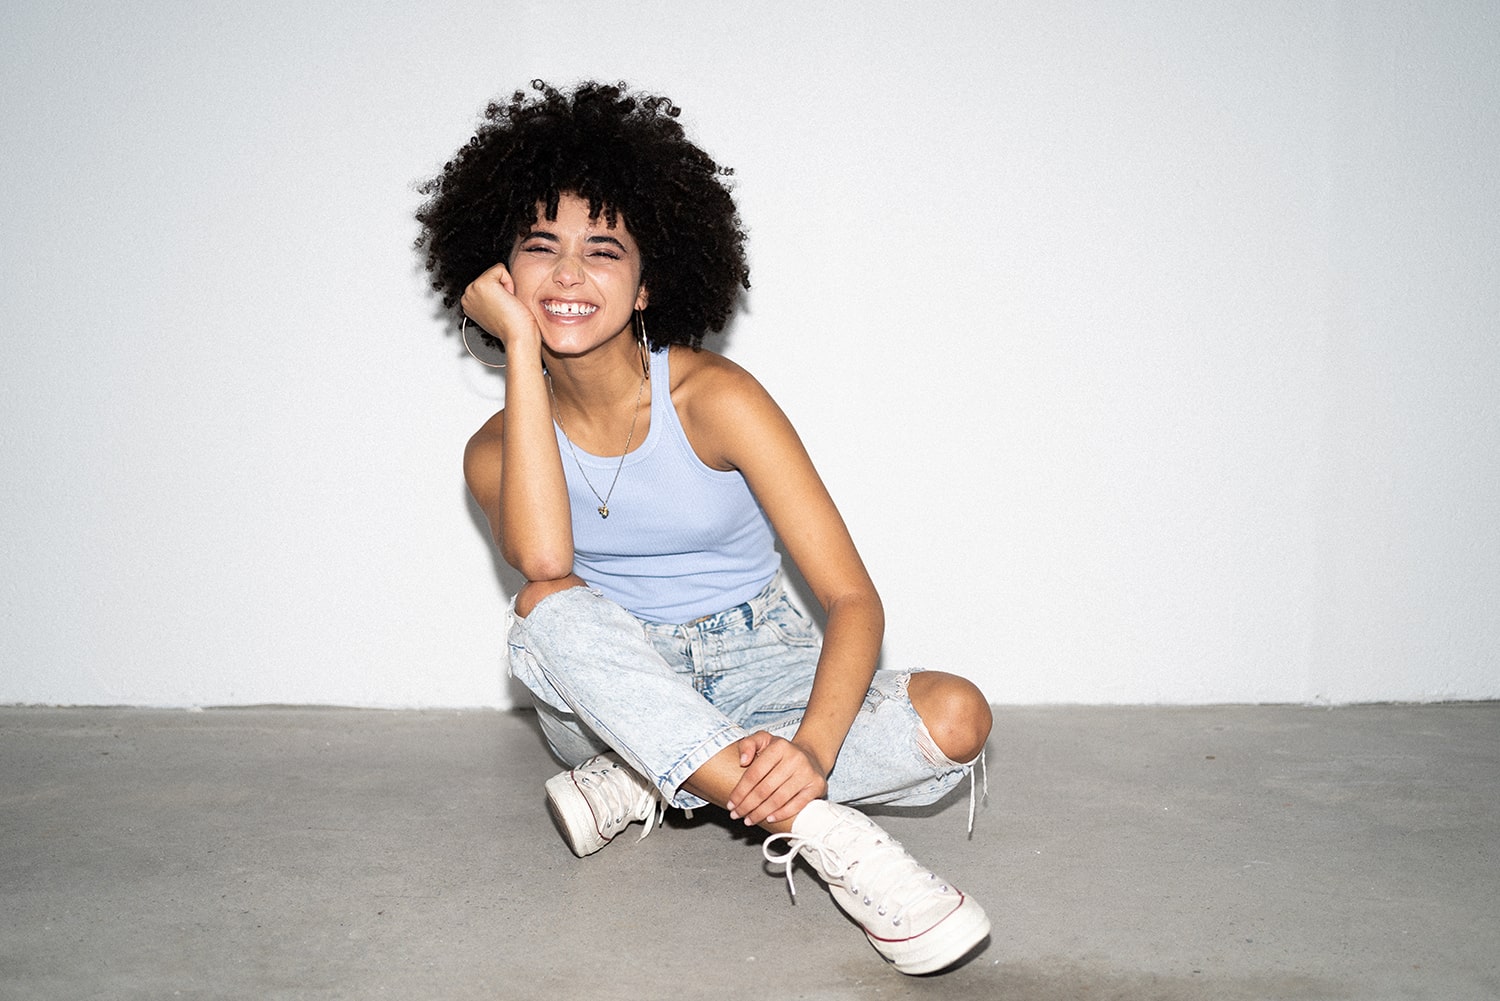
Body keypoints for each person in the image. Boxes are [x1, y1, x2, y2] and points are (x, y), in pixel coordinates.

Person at [416, 80, 994, 975]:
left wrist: (809, 746)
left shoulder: (714, 398)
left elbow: (850, 597)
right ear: (499, 275)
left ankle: (662, 779)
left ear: (649, 286)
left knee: (957, 715)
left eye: (603, 250)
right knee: (547, 603)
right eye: (541, 248)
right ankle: (824, 834)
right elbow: (544, 560)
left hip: (760, 660)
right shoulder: (493, 448)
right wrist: (521, 354)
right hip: (608, 695)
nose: (569, 274)